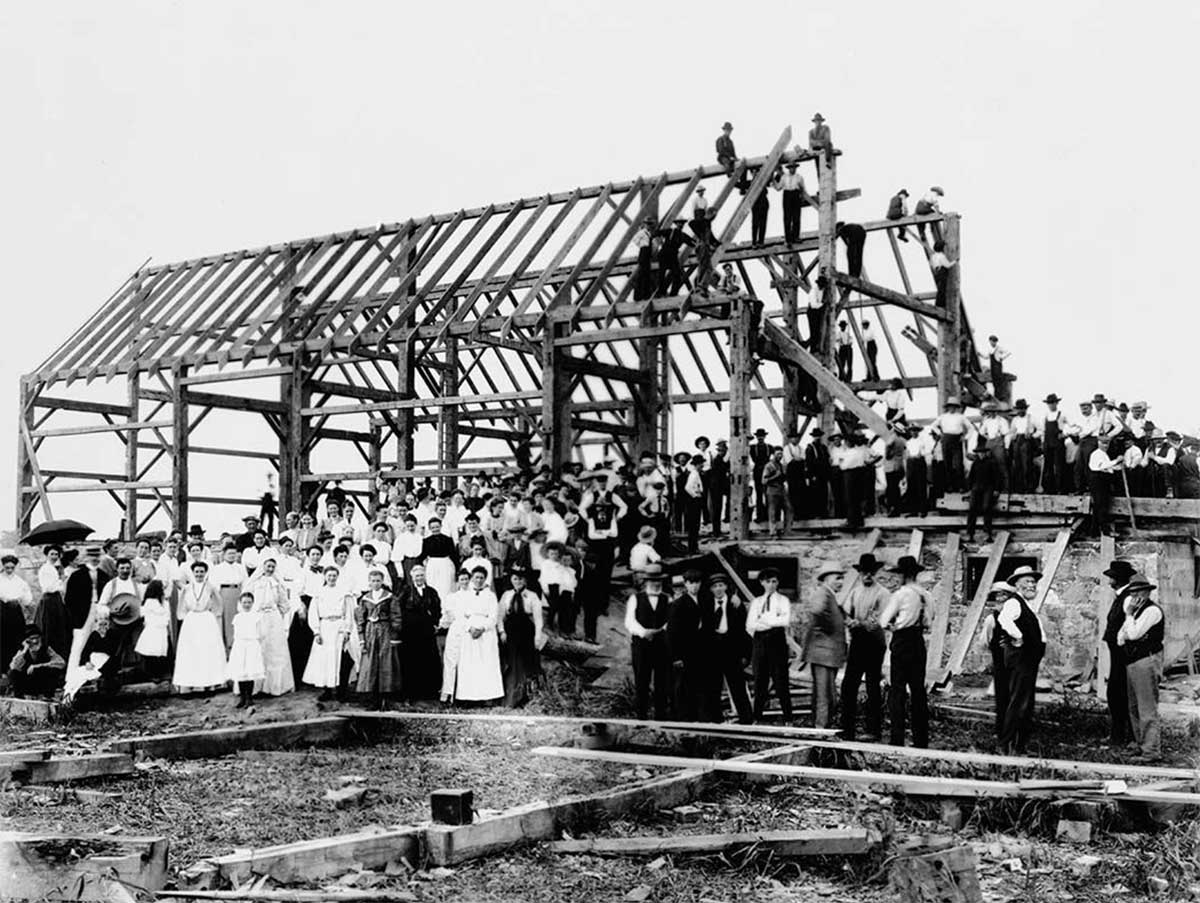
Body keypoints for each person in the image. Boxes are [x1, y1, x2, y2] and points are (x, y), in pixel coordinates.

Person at [878, 555, 930, 748]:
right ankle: (921, 740)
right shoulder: (926, 595)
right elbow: (928, 622)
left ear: (903, 576)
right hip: (918, 641)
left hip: (902, 641)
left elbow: (884, 621)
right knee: (918, 692)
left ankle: (897, 739)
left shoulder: (901, 594)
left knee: (898, 691)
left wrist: (895, 625)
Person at [992, 571, 1045, 754]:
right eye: (1029, 581)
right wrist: (1019, 637)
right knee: (1018, 702)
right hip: (1022, 659)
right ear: (1018, 584)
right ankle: (1006, 744)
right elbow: (1004, 619)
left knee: (1025, 702)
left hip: (1029, 660)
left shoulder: (1026, 605)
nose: (1033, 585)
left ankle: (1019, 744)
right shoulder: (1014, 602)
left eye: (1034, 582)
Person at [839, 554, 890, 740]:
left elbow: (877, 622)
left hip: (874, 643)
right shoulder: (855, 592)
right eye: (864, 572)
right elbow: (845, 613)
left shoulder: (883, 593)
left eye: (871, 572)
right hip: (857, 642)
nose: (867, 576)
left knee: (872, 686)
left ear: (876, 573)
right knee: (848, 686)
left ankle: (873, 730)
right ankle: (847, 729)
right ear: (859, 573)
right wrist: (849, 621)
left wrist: (858, 623)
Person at [1116, 575, 1164, 762]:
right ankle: (1140, 743)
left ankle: (1151, 751)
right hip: (1134, 660)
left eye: (1138, 592)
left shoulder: (1151, 611)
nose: (1134, 596)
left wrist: (1128, 616)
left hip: (1146, 659)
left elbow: (1133, 634)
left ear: (1147, 592)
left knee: (1146, 707)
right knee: (1134, 706)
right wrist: (1128, 623)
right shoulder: (1136, 612)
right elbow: (1121, 636)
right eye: (1132, 592)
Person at [699, 573, 752, 723]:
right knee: (713, 686)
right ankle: (716, 720)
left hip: (732, 651)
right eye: (715, 586)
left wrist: (745, 655)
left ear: (726, 587)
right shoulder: (706, 605)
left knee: (738, 687)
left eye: (721, 585)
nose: (718, 589)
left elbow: (743, 631)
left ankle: (747, 720)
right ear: (710, 589)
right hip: (713, 652)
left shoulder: (736, 604)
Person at [625, 562, 671, 720]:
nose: (656, 583)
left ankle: (661, 717)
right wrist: (644, 632)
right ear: (646, 582)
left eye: (658, 580)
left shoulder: (667, 599)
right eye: (652, 580)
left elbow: (671, 620)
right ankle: (641, 717)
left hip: (662, 645)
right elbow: (629, 622)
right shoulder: (635, 598)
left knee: (662, 682)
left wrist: (660, 630)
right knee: (642, 681)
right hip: (641, 645)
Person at [174, 560, 228, 693]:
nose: (199, 574)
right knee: (191, 651)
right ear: (192, 573)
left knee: (207, 651)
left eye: (201, 572)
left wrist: (215, 614)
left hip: (206, 619)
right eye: (196, 572)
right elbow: (181, 606)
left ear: (205, 573)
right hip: (192, 620)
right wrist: (183, 616)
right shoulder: (187, 588)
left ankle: (209, 684)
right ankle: (189, 685)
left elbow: (218, 603)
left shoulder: (210, 587)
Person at [748, 568, 792, 723]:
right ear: (762, 583)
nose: (771, 585)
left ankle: (788, 719)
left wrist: (764, 620)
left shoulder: (783, 601)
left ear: (778, 583)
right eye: (768, 581)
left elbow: (784, 621)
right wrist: (771, 620)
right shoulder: (757, 602)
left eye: (774, 581)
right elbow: (750, 625)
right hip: (760, 642)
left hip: (777, 642)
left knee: (781, 681)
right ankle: (757, 718)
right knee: (760, 680)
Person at [805, 563, 846, 730]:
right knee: (825, 694)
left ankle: (820, 726)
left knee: (825, 692)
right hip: (824, 653)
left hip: (827, 653)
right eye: (838, 578)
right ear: (827, 579)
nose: (841, 582)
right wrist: (828, 629)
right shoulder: (823, 593)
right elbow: (817, 611)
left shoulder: (829, 595)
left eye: (842, 578)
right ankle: (821, 729)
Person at [454, 567, 503, 704]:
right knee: (469, 663)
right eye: (476, 577)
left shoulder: (490, 595)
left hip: (486, 632)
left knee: (486, 663)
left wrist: (482, 628)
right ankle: (468, 698)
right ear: (472, 578)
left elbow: (494, 617)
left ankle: (487, 697)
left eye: (482, 577)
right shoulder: (464, 595)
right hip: (469, 631)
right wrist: (470, 628)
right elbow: (459, 615)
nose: (479, 580)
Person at [247, 557, 295, 696]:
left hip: (273, 618)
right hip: (258, 617)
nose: (270, 569)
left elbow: (284, 604)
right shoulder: (254, 582)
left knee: (275, 651)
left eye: (273, 567)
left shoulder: (277, 583)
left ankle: (274, 686)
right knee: (259, 649)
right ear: (263, 566)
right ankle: (257, 686)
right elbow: (247, 598)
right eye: (268, 566)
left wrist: (276, 612)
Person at [355, 568, 402, 709]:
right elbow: (360, 619)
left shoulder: (390, 597)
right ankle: (372, 699)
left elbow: (396, 617)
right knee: (370, 663)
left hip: (385, 630)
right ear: (369, 582)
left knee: (386, 662)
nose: (376, 583)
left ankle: (385, 699)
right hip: (370, 632)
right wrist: (362, 638)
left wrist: (394, 636)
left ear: (382, 581)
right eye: (373, 581)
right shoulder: (365, 599)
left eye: (378, 581)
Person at [498, 566, 544, 708]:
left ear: (525, 580)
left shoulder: (532, 595)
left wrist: (537, 636)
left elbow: (538, 618)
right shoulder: (506, 595)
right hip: (510, 631)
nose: (518, 581)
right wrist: (501, 631)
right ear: (511, 580)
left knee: (526, 662)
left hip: (526, 631)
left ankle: (525, 697)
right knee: (512, 663)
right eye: (515, 579)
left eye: (520, 579)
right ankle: (511, 697)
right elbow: (500, 615)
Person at [399, 564, 443, 701]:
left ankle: (429, 692)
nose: (419, 578)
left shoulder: (431, 592)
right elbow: (399, 609)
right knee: (411, 661)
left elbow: (437, 609)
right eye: (417, 575)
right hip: (410, 632)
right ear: (412, 577)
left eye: (421, 575)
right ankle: (411, 693)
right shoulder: (406, 591)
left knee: (428, 660)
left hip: (427, 632)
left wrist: (435, 623)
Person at [982, 582, 1017, 738]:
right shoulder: (992, 619)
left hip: (1016, 661)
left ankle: (1014, 729)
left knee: (1015, 694)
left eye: (1003, 595)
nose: (1000, 598)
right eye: (998, 595)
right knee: (1003, 695)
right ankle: (1003, 729)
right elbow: (985, 641)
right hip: (1001, 661)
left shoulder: (1017, 616)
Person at [667, 570, 704, 721]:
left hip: (700, 651)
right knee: (683, 686)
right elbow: (672, 633)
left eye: (697, 582)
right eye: (690, 583)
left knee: (698, 684)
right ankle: (682, 717)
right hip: (685, 651)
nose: (694, 586)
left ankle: (698, 717)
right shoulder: (678, 604)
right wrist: (676, 656)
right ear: (686, 585)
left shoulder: (705, 600)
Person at [226, 592, 266, 708]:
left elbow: (262, 632)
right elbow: (235, 633)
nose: (247, 605)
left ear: (253, 603)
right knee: (241, 673)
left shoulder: (257, 616)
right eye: (244, 602)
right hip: (240, 645)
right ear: (240, 603)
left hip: (252, 645)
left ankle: (249, 698)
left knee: (250, 672)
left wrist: (255, 641)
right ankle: (242, 698)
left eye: (249, 602)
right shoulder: (237, 617)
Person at [34, 545, 70, 661]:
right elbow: (48, 587)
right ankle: (47, 656)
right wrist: (61, 581)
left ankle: (59, 656)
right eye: (52, 554)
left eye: (56, 554)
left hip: (56, 600)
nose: (54, 556)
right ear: (47, 555)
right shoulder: (45, 569)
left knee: (59, 628)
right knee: (49, 627)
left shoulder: (55, 568)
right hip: (49, 600)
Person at [8, 627, 65, 697]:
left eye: (37, 638)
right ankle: (19, 697)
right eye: (32, 638)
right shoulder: (22, 651)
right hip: (27, 684)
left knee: (54, 670)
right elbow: (13, 666)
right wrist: (25, 649)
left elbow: (61, 663)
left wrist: (39, 666)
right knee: (13, 673)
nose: (35, 641)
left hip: (41, 683)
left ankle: (47, 697)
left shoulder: (46, 649)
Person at [210, 545, 247, 652]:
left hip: (238, 593)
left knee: (238, 620)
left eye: (234, 554)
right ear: (224, 554)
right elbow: (214, 585)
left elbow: (245, 582)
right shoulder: (217, 568)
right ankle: (226, 647)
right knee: (225, 621)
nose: (232, 556)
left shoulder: (240, 567)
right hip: (224, 593)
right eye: (229, 554)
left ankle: (236, 647)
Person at [134, 580, 171, 680]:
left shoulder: (164, 602)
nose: (163, 590)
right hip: (153, 629)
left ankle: (161, 673)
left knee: (161, 652)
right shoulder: (150, 602)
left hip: (162, 629)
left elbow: (167, 615)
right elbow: (143, 614)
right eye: (162, 588)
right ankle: (152, 674)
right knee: (152, 652)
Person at [1089, 436, 1123, 536]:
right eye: (1103, 443)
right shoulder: (1096, 454)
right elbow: (1102, 466)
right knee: (1102, 505)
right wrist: (1116, 460)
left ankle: (1093, 531)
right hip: (1097, 479)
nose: (1105, 446)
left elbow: (1108, 467)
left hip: (1103, 479)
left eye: (1107, 443)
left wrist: (1118, 467)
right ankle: (1106, 531)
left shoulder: (1104, 454)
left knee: (1098, 505)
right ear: (1098, 443)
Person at [1037, 394, 1068, 495]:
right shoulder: (1045, 416)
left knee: (1059, 466)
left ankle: (1060, 489)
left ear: (1057, 403)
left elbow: (1071, 426)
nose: (1051, 405)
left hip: (1058, 443)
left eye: (1053, 403)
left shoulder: (1062, 415)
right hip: (1047, 443)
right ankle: (1048, 488)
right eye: (1049, 403)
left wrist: (1064, 433)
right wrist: (1042, 442)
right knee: (1048, 466)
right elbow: (1042, 430)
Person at [774, 161, 812, 245]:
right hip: (787, 195)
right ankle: (788, 239)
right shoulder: (784, 177)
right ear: (788, 169)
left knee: (796, 217)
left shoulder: (799, 177)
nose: (792, 169)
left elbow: (802, 188)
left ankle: (796, 237)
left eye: (794, 168)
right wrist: (773, 180)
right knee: (787, 218)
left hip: (795, 195)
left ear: (796, 168)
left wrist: (802, 197)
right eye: (791, 168)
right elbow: (778, 188)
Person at [657, 219, 694, 297]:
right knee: (662, 274)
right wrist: (660, 243)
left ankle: (673, 293)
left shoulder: (683, 235)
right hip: (665, 254)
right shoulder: (670, 231)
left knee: (676, 275)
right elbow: (657, 233)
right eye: (679, 223)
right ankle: (661, 292)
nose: (681, 225)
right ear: (676, 224)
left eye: (682, 223)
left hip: (673, 256)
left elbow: (691, 242)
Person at [1007, 399, 1035, 492]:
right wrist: (1012, 436)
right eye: (1019, 409)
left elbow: (1040, 430)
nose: (1020, 411)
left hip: (1026, 441)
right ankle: (1019, 487)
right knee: (1017, 465)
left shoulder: (1031, 418)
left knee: (1026, 465)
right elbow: (1011, 431)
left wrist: (1032, 435)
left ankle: (1029, 487)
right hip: (1017, 441)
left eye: (1022, 409)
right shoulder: (1015, 419)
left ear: (1026, 409)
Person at [762, 448, 790, 537]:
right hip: (772, 491)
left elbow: (783, 478)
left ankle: (786, 531)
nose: (780, 456)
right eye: (778, 454)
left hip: (781, 490)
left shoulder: (781, 465)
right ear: (773, 454)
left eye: (781, 454)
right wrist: (775, 476)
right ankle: (773, 532)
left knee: (789, 509)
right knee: (772, 512)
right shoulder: (769, 466)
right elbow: (764, 481)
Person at [904, 424, 932, 516]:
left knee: (921, 487)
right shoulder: (909, 442)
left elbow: (928, 451)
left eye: (915, 430)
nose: (913, 432)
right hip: (910, 464)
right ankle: (913, 510)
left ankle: (923, 510)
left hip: (919, 463)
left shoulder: (923, 441)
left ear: (918, 431)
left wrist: (921, 454)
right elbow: (907, 453)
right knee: (911, 487)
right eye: (912, 430)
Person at [750, 429, 771, 523]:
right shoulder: (752, 447)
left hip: (767, 471)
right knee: (759, 494)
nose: (760, 438)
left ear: (765, 437)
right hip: (757, 471)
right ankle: (759, 515)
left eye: (762, 436)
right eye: (758, 436)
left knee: (768, 494)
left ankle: (768, 516)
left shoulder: (769, 447)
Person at [929, 241, 956, 309]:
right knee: (942, 289)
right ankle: (940, 304)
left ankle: (940, 304)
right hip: (942, 272)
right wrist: (955, 261)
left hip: (937, 272)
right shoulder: (941, 256)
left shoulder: (933, 256)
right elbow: (948, 265)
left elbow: (931, 264)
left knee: (940, 288)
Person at [806, 276, 828, 352]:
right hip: (812, 311)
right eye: (822, 285)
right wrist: (823, 304)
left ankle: (813, 347)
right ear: (819, 284)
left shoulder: (821, 290)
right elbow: (814, 305)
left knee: (817, 332)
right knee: (814, 331)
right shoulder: (813, 291)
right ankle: (811, 348)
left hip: (818, 311)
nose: (823, 286)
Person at [986, 336, 1010, 403]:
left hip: (997, 366)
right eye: (991, 341)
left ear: (995, 342)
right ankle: (996, 396)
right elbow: (986, 357)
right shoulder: (990, 349)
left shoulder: (999, 348)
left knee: (999, 380)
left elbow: (1008, 352)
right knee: (995, 382)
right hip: (992, 367)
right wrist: (979, 354)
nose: (992, 343)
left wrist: (1002, 358)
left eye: (993, 341)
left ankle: (1000, 396)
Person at [749, 176, 770, 247]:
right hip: (756, 203)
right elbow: (739, 185)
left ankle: (761, 241)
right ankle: (754, 242)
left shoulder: (763, 180)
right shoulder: (750, 183)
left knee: (762, 224)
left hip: (763, 203)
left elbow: (771, 180)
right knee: (755, 223)